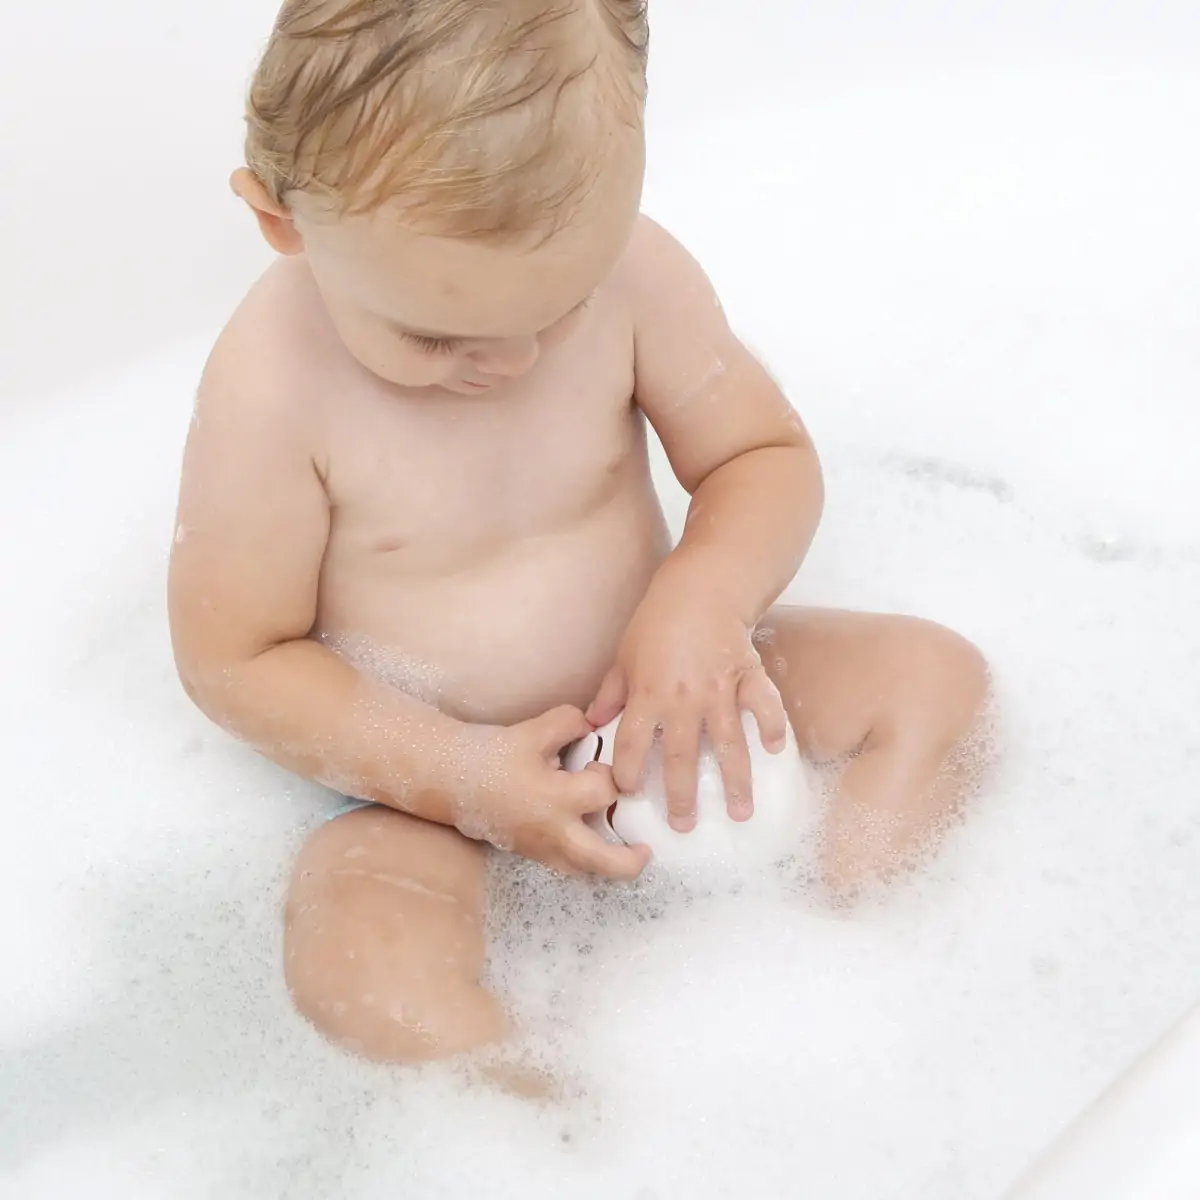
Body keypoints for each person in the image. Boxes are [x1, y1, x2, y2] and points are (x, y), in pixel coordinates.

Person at [168, 0, 990, 1066]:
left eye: (559, 307)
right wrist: (460, 775)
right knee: (366, 979)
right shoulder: (273, 385)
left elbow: (760, 456)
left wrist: (700, 608)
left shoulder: (635, 273)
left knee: (936, 681)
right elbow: (236, 659)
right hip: (431, 790)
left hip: (672, 697)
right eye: (437, 337)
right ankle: (557, 1116)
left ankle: (858, 954)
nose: (513, 361)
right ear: (284, 224)